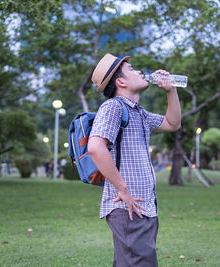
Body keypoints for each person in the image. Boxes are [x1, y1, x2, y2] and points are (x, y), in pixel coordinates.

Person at [88, 54, 181, 267]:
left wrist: (171, 90)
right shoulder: (113, 107)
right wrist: (123, 189)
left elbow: (172, 123)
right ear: (121, 82)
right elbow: (95, 147)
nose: (139, 72)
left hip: (142, 206)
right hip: (128, 207)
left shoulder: (138, 113)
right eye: (132, 69)